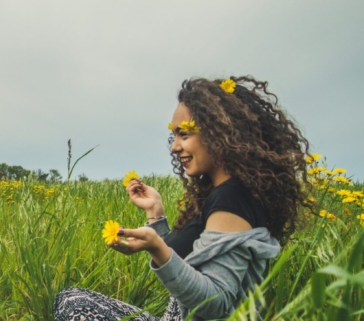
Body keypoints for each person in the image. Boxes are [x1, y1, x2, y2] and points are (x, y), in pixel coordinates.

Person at [53, 76, 311, 320]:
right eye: (174, 136)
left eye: (184, 135)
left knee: (73, 307)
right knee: (70, 298)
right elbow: (186, 262)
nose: (174, 147)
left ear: (220, 134)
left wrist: (157, 247)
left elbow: (216, 302)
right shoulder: (223, 192)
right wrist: (155, 213)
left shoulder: (233, 198)